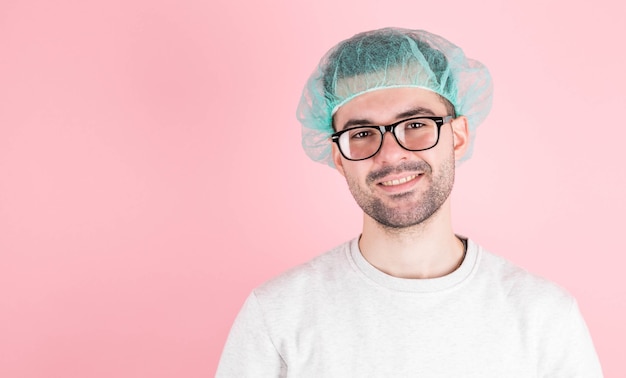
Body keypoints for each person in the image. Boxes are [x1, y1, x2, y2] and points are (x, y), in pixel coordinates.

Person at [216, 27, 603, 377]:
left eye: (416, 125)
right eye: (362, 133)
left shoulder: (545, 317)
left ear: (458, 136)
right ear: (338, 157)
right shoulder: (277, 316)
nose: (390, 155)